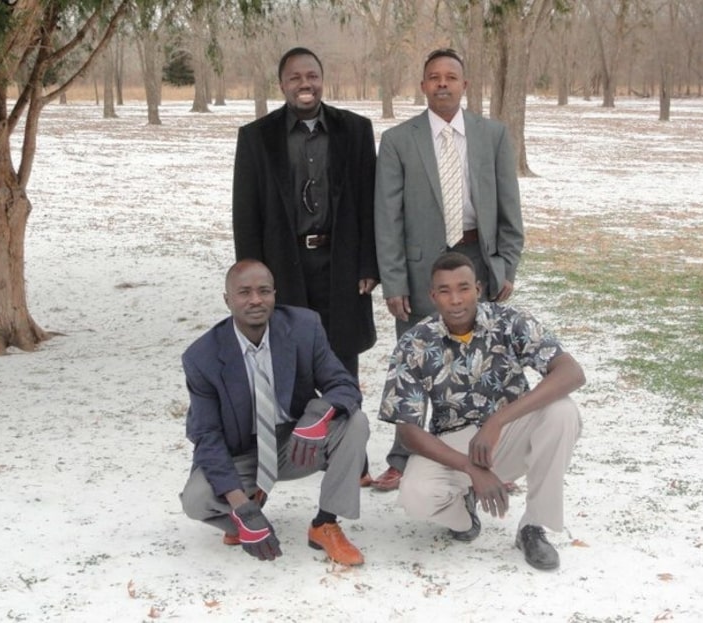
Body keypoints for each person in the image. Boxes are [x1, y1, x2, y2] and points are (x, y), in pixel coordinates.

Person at [372, 48, 524, 491]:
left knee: (484, 362)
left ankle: (490, 455)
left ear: (464, 84)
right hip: (421, 271)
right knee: (415, 363)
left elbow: (510, 207)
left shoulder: (492, 135)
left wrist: (505, 265)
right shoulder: (400, 140)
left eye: (451, 77)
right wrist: (394, 281)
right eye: (434, 77)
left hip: (477, 259)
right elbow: (388, 217)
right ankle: (403, 459)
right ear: (423, 86)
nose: (443, 84)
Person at [378, 252, 584, 570]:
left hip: (510, 431)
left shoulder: (511, 321)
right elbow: (408, 431)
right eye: (444, 291)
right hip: (454, 443)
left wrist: (498, 421)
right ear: (432, 296)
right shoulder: (415, 343)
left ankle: (533, 526)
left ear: (478, 288)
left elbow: (571, 373)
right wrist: (470, 469)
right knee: (415, 494)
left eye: (463, 288)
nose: (456, 300)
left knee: (562, 412)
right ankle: (464, 515)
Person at [179, 260, 369, 566]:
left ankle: (325, 523)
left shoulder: (304, 327)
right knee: (195, 500)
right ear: (227, 299)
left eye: (264, 291)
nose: (255, 299)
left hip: (298, 443)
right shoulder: (202, 358)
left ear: (274, 294)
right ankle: (246, 519)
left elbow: (344, 386)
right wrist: (241, 506)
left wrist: (316, 416)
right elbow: (206, 436)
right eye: (244, 292)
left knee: (355, 423)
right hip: (242, 453)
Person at [232, 46, 378, 381]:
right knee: (289, 359)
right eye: (295, 77)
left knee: (341, 364)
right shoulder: (256, 138)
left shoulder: (355, 130)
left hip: (341, 264)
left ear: (322, 80)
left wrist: (369, 264)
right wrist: (252, 278)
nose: (305, 83)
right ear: (282, 85)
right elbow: (246, 215)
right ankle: (296, 432)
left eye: (312, 76)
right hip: (284, 263)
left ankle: (343, 427)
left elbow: (369, 203)